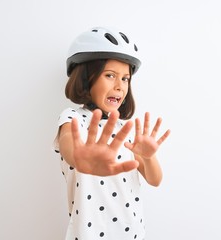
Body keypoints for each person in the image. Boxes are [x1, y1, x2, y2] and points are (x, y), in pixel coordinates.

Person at [54, 26, 170, 240]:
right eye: (110, 75)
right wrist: (81, 158)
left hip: (133, 233)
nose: (119, 86)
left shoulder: (122, 129)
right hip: (89, 234)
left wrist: (148, 156)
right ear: (85, 78)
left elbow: (155, 180)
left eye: (125, 78)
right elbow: (69, 144)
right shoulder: (71, 118)